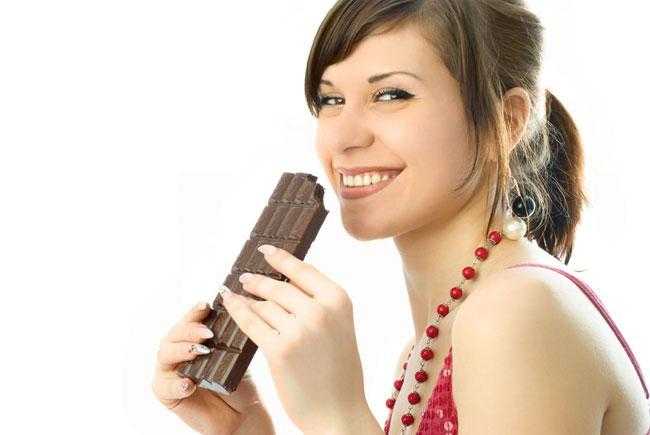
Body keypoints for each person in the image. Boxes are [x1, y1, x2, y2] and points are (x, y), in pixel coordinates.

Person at [152, 1, 650, 434]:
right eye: (330, 100)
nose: (343, 138)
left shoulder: (514, 312)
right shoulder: (428, 345)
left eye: (391, 95)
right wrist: (247, 429)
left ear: (507, 119)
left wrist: (337, 417)